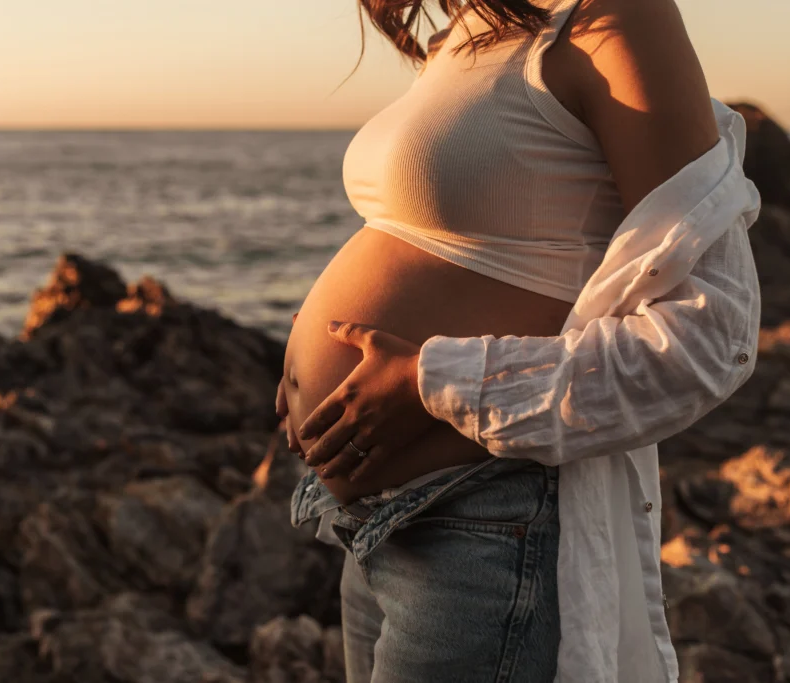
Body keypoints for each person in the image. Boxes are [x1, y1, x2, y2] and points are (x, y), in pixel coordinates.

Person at [277, 1, 761, 681]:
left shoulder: (612, 18)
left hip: (481, 529)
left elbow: (712, 335)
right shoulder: (467, 35)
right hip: (376, 531)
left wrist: (431, 380)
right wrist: (320, 368)